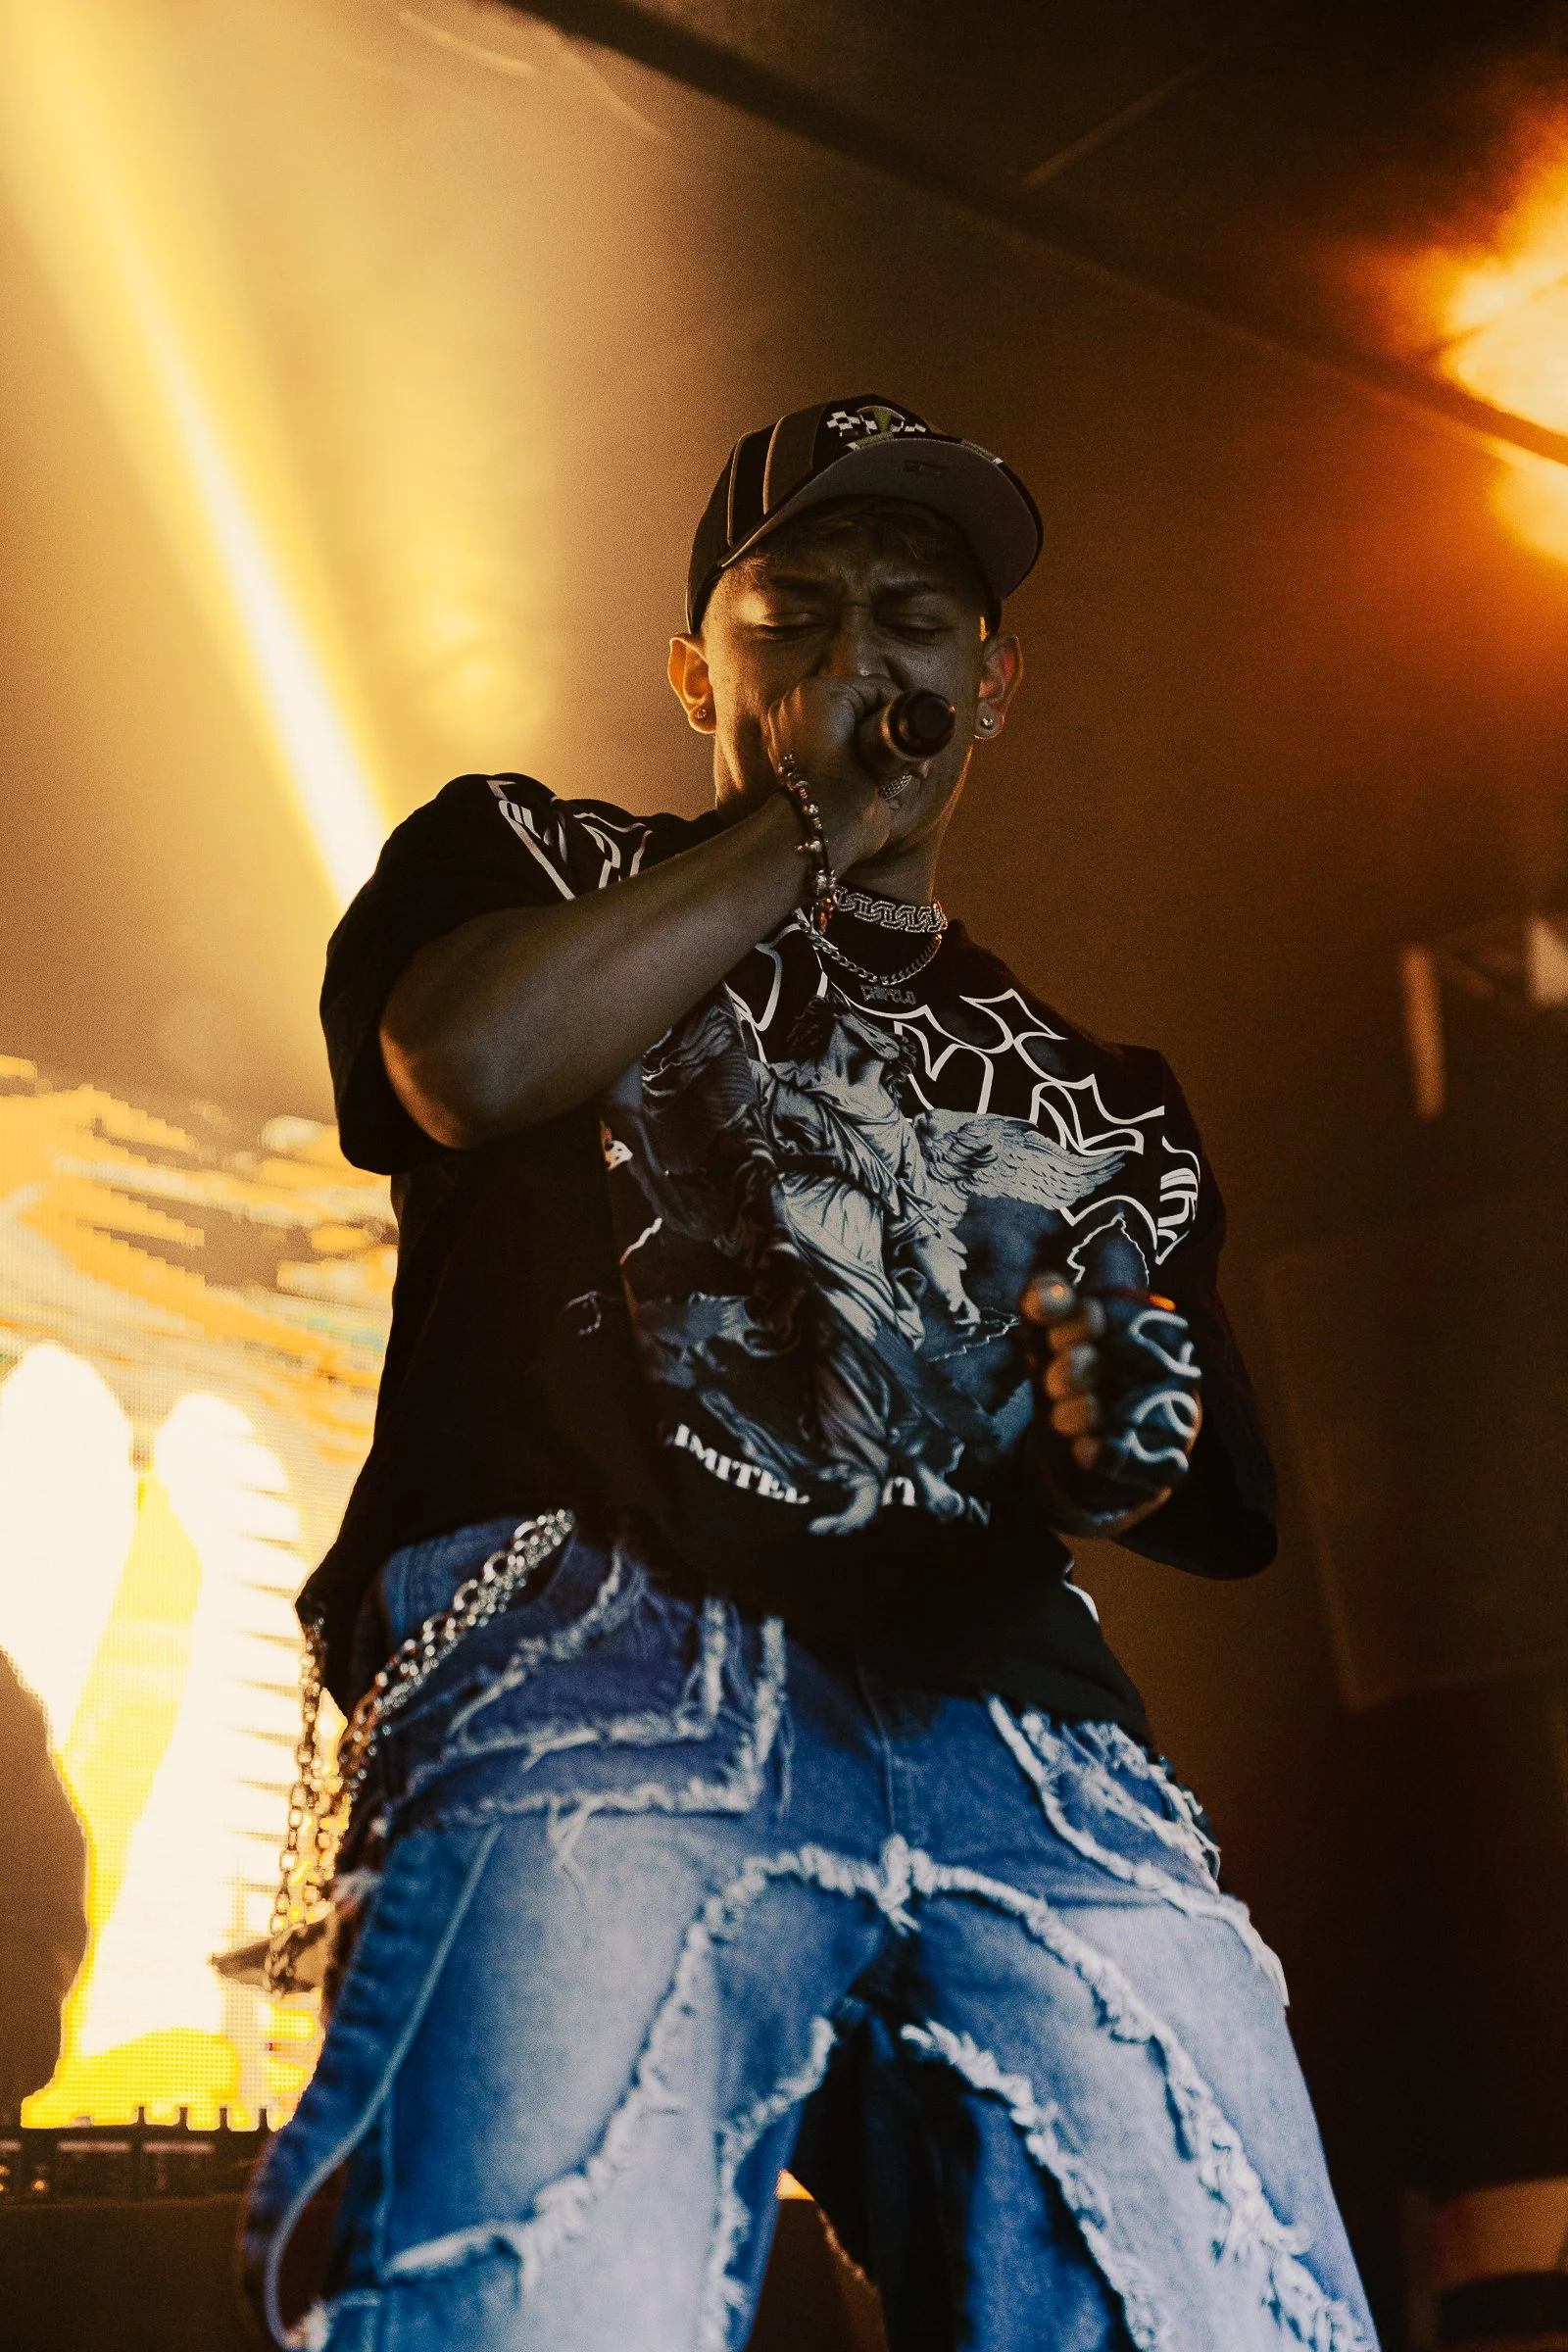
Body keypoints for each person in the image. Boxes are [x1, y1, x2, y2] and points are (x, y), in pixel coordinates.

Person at [244, 395, 1377, 2351]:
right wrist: (803, 826)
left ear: (990, 684)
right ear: (698, 664)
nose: (866, 650)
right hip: (595, 1638)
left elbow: (1159, 1472)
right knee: (544, 2292)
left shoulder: (1103, 1095)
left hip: (1016, 1732)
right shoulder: (521, 849)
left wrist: (1112, 1436)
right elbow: (468, 1068)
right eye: (800, 609)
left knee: (1215, 2307)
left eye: (918, 615)